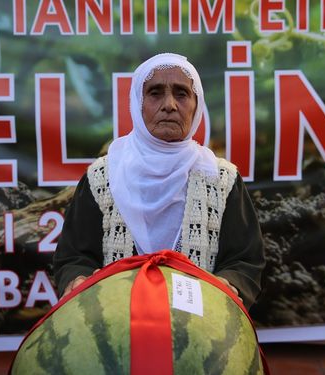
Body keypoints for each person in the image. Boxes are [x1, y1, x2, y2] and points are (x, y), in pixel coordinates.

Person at [52, 53, 265, 309]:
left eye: (181, 94)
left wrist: (229, 284)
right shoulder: (102, 177)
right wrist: (78, 279)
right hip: (117, 324)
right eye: (155, 93)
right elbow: (75, 255)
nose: (170, 105)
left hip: (198, 325)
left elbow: (244, 260)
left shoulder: (221, 179)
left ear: (196, 105)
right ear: (138, 103)